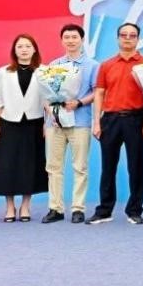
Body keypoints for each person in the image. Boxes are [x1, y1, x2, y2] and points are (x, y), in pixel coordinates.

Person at [88, 22, 143, 225]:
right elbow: (99, 93)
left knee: (136, 166)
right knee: (108, 167)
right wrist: (96, 122)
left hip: (135, 119)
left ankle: (135, 210)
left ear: (138, 39)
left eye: (132, 35)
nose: (128, 38)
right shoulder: (106, 65)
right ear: (117, 38)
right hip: (110, 119)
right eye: (124, 35)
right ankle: (104, 210)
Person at [0, 34, 47, 222]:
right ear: (14, 50)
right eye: (20, 46)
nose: (24, 49)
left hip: (34, 123)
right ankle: (10, 206)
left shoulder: (44, 71)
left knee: (30, 165)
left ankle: (26, 206)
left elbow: (49, 100)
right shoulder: (4, 72)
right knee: (7, 165)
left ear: (34, 49)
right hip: (8, 122)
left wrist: (48, 124)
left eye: (28, 46)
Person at [41, 24, 98, 224]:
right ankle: (55, 208)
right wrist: (52, 112)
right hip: (55, 124)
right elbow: (45, 93)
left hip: (80, 121)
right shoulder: (54, 64)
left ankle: (78, 208)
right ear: (62, 40)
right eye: (67, 37)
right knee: (53, 166)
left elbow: (97, 92)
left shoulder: (92, 65)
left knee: (80, 166)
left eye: (74, 37)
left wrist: (79, 102)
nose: (71, 40)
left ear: (82, 39)